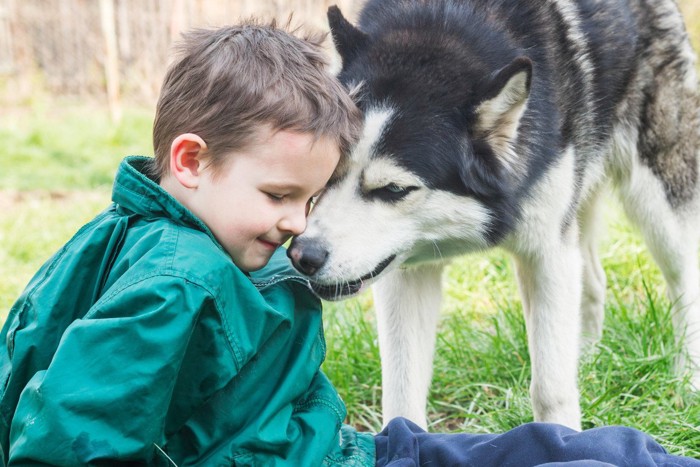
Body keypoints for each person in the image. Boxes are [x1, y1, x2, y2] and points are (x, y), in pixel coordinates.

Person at [0, 20, 697, 467]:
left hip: (340, 447)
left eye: (311, 197)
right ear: (189, 161)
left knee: (569, 447)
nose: (305, 227)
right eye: (280, 197)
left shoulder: (163, 239)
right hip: (330, 459)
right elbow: (67, 432)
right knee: (578, 460)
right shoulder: (176, 280)